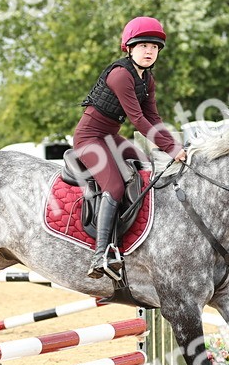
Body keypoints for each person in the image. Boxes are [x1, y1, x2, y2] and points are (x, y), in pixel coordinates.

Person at [73, 16, 187, 279]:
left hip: (110, 138)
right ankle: (101, 253)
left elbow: (154, 118)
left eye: (155, 47)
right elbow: (138, 120)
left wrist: (174, 144)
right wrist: (171, 148)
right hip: (89, 139)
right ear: (129, 48)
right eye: (144, 45)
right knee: (114, 186)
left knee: (144, 165)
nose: (149, 51)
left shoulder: (147, 79)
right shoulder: (121, 75)